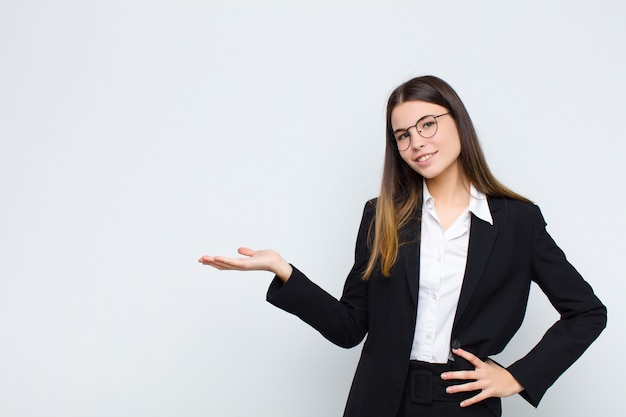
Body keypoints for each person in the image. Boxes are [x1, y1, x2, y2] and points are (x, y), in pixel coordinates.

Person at [198, 76, 606, 417]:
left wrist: (518, 377)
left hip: (464, 404)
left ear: (458, 122)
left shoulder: (518, 221)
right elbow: (349, 328)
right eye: (403, 135)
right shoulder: (382, 216)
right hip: (380, 402)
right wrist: (283, 271)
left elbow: (587, 313)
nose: (417, 143)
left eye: (428, 124)